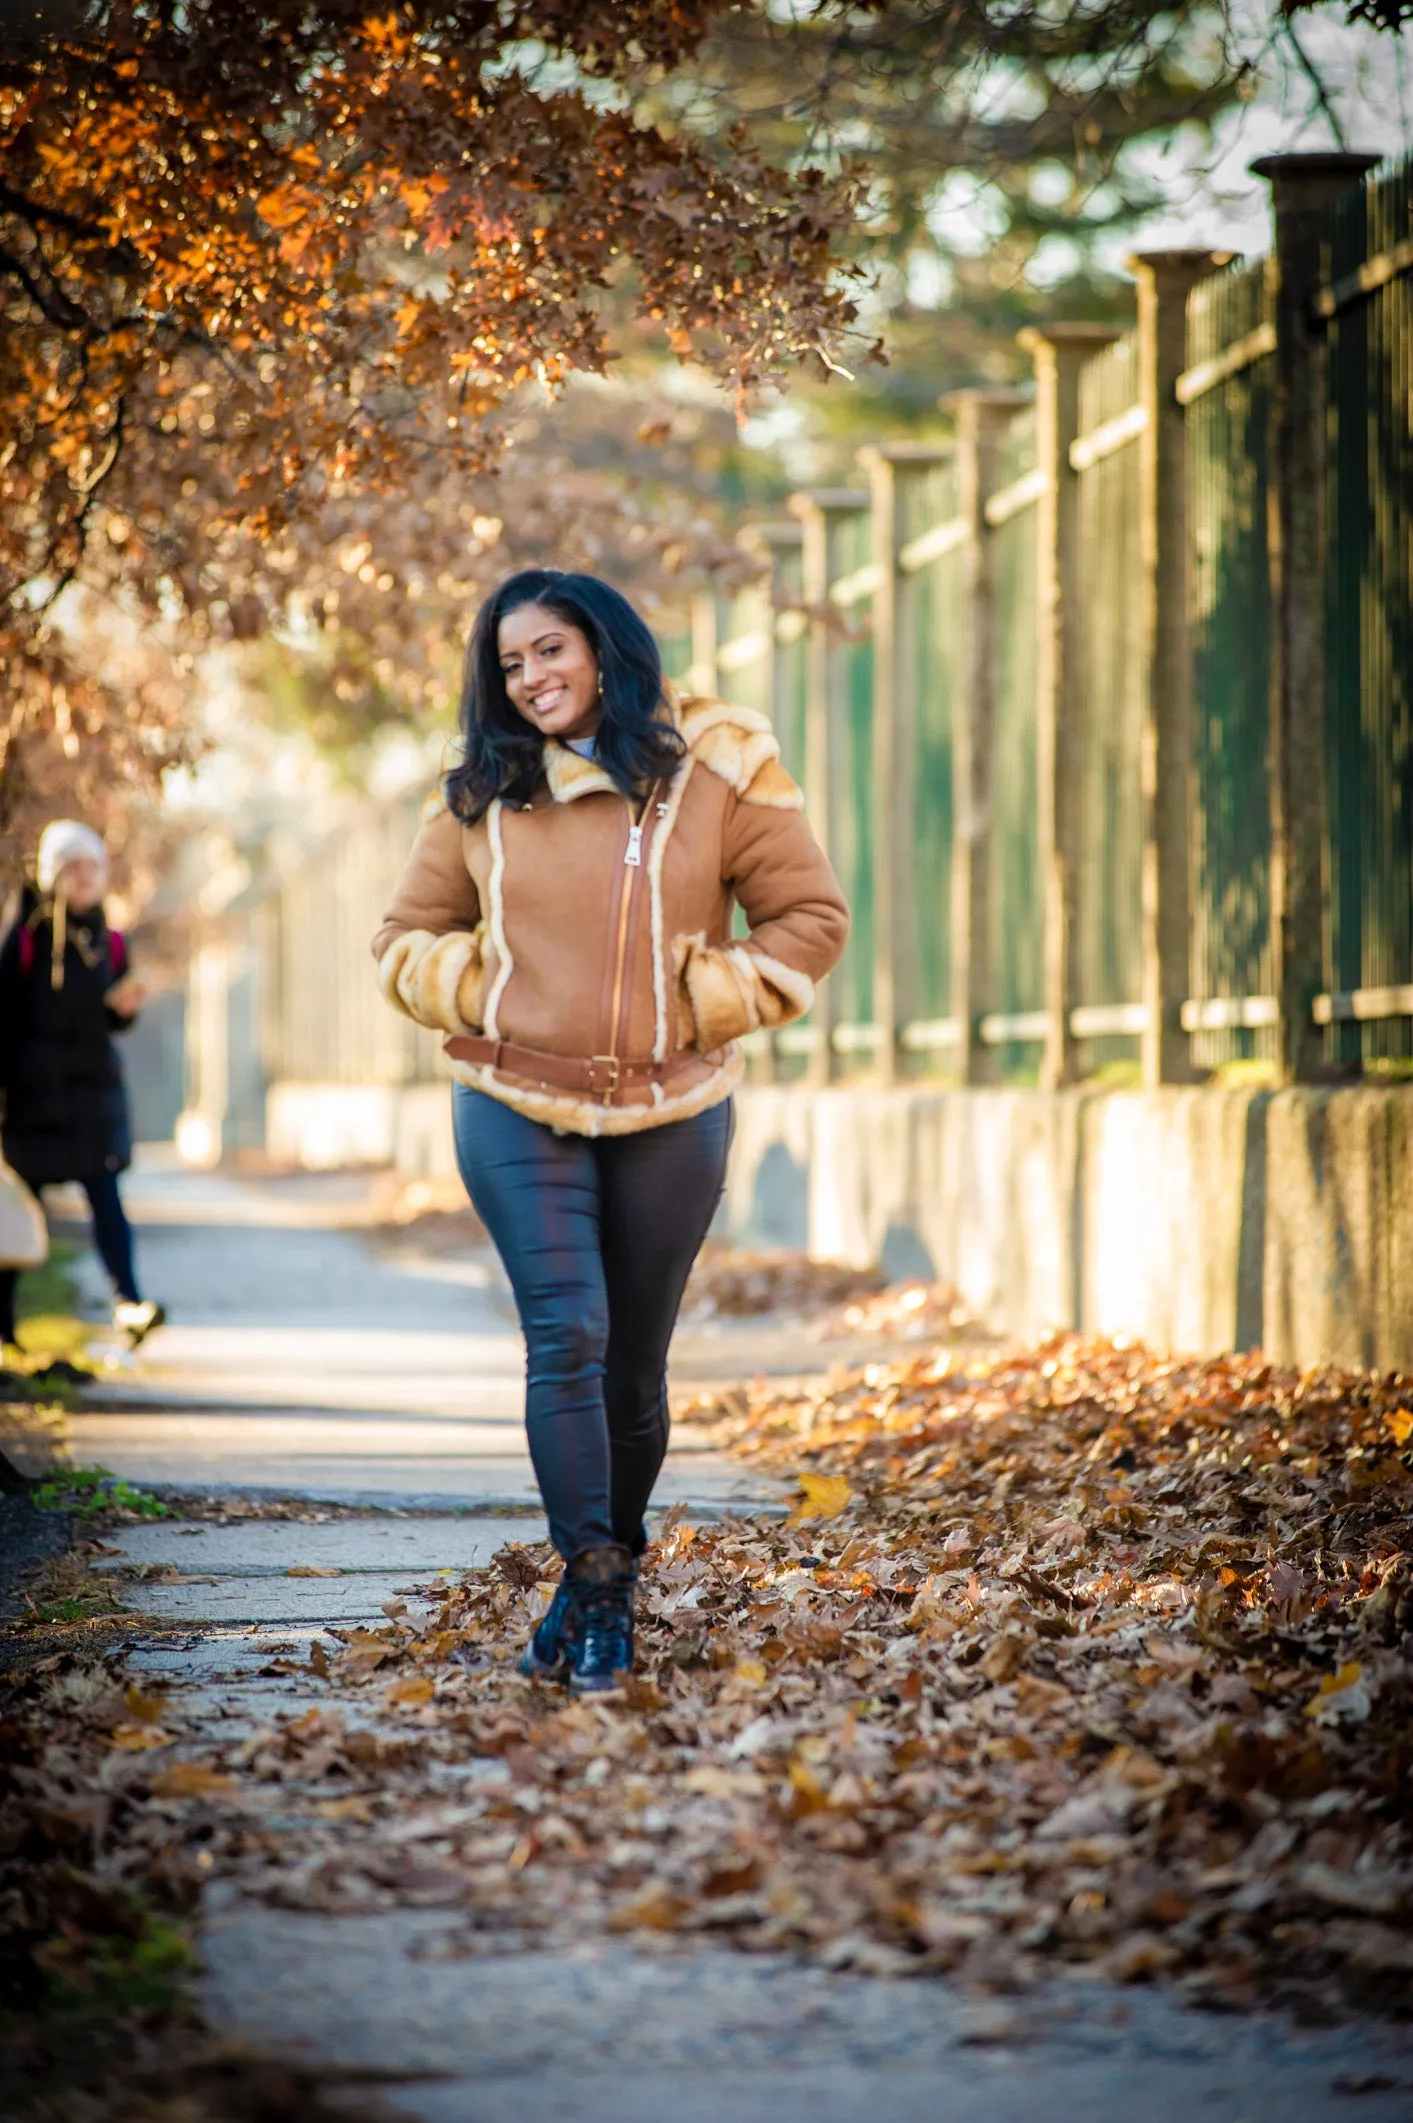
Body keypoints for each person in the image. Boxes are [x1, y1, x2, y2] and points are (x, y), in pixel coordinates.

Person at [373, 569, 848, 1693]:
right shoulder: (485, 786)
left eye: (549, 650)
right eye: (510, 663)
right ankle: (599, 1589)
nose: (531, 677)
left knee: (634, 1372)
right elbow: (404, 935)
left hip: (671, 1104)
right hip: (512, 1097)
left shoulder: (720, 757)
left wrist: (700, 1001)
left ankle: (599, 1576)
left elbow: (810, 916)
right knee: (567, 1335)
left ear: (603, 645)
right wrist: (487, 989)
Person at [0, 820, 165, 1353]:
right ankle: (5, 1327)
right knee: (19, 1215)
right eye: (73, 867)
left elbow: (111, 1020)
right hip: (33, 1100)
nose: (84, 877)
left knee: (108, 1203)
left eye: (92, 867)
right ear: (53, 875)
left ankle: (129, 1304)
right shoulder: (24, 939)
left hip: (93, 1096)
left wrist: (123, 1011)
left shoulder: (112, 942)